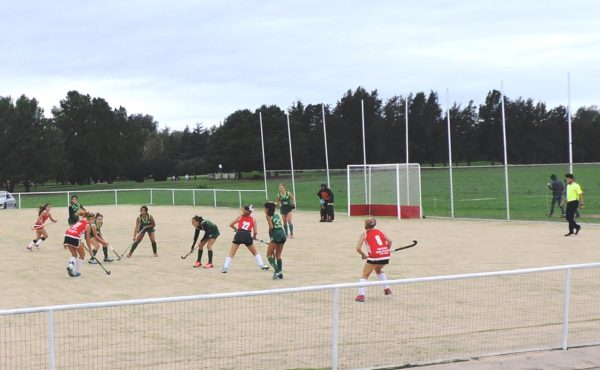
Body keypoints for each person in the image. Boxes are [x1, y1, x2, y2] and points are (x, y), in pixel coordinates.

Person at [222, 205, 270, 273]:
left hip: (239, 234)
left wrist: (236, 229)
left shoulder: (240, 217)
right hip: (247, 235)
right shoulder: (253, 219)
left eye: (243, 209)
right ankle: (262, 265)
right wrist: (254, 237)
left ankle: (225, 268)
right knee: (255, 253)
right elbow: (255, 232)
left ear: (245, 211)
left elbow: (231, 224)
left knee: (231, 254)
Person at [354, 218, 393, 302]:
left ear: (365, 225)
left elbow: (358, 248)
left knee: (365, 275)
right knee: (378, 269)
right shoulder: (381, 231)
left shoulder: (364, 234)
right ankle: (387, 289)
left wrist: (363, 255)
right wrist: (386, 249)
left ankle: (361, 295)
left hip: (375, 257)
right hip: (385, 256)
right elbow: (390, 241)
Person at [63, 210, 95, 277]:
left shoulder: (81, 220)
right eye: (93, 219)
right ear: (91, 219)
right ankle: (77, 272)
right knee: (82, 255)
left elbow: (77, 231)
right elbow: (88, 239)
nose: (93, 222)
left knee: (74, 255)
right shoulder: (88, 225)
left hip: (67, 236)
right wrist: (90, 250)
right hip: (74, 238)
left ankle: (70, 266)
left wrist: (65, 242)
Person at [264, 201, 287, 279]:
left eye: (264, 208)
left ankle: (277, 271)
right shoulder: (276, 215)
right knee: (278, 255)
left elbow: (271, 227)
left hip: (276, 235)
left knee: (269, 255)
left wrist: (271, 237)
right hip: (283, 234)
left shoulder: (268, 216)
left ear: (267, 209)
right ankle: (280, 274)